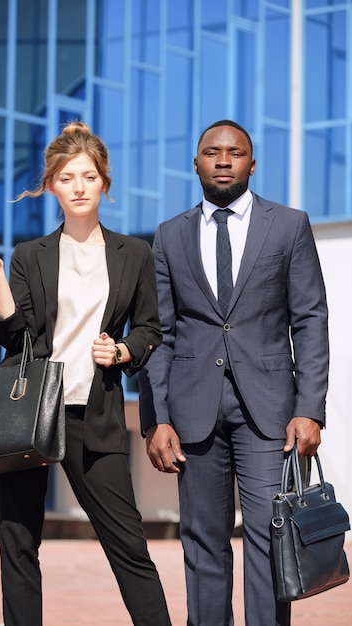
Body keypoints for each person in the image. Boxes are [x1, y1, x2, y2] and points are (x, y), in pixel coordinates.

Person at [0, 121, 172, 626]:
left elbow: (150, 328)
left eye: (87, 176)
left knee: (129, 546)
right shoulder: (29, 256)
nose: (78, 187)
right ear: (51, 186)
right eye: (65, 178)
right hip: (27, 412)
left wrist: (123, 351)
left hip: (93, 415)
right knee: (18, 543)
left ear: (104, 182)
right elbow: (16, 336)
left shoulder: (135, 254)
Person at [138, 120, 329, 626]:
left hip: (271, 413)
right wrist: (156, 418)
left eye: (235, 152)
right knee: (202, 542)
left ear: (252, 162)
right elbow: (159, 333)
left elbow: (310, 319)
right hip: (191, 412)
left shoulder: (288, 225)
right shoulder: (169, 235)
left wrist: (310, 408)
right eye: (212, 152)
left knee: (273, 537)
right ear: (196, 162)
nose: (223, 160)